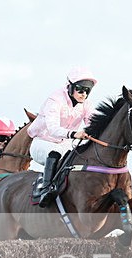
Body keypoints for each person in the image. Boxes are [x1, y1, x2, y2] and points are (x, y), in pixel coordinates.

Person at [28, 66, 98, 208]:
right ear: (70, 87)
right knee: (56, 153)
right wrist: (74, 134)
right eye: (80, 90)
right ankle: (45, 189)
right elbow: (53, 129)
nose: (84, 94)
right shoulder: (55, 100)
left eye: (87, 91)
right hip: (42, 142)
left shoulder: (86, 105)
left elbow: (93, 122)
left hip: (64, 144)